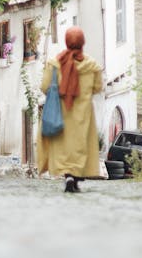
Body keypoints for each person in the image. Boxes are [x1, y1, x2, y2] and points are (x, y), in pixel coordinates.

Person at [37, 26, 103, 192]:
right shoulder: (92, 66)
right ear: (82, 43)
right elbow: (97, 87)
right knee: (80, 146)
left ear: (66, 42)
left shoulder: (54, 64)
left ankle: (68, 176)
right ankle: (76, 176)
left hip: (60, 113)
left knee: (63, 147)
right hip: (83, 114)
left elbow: (45, 87)